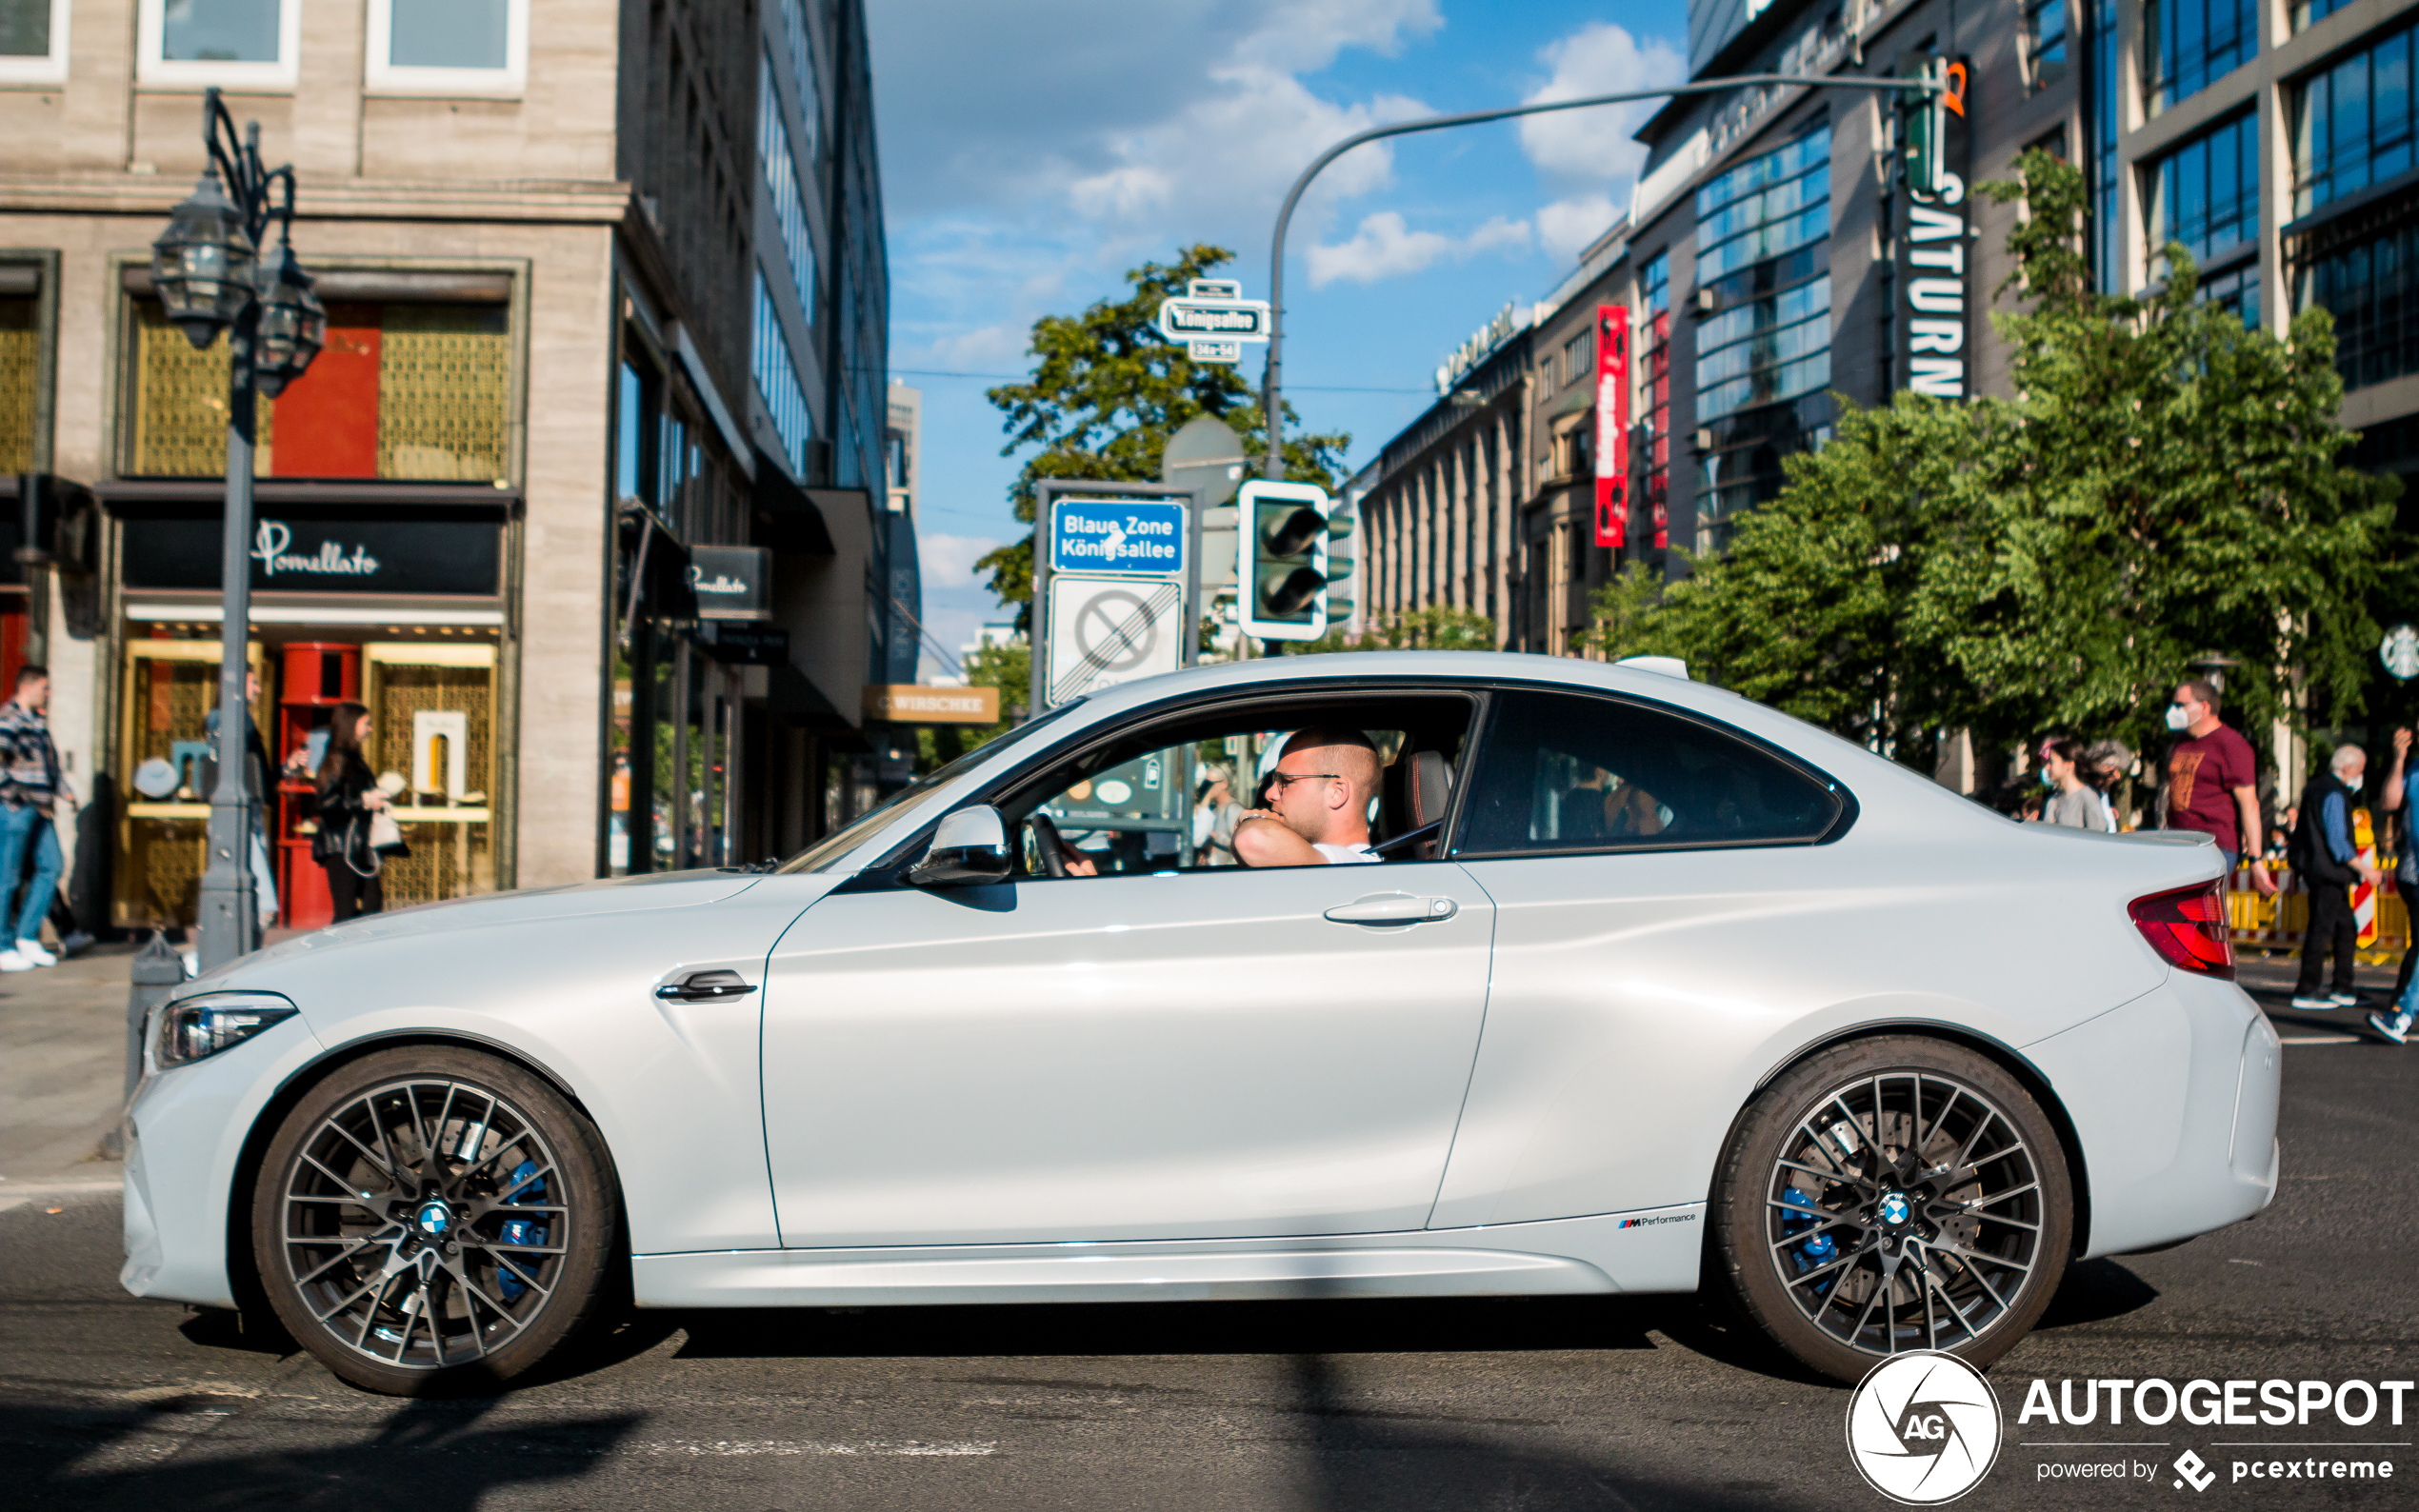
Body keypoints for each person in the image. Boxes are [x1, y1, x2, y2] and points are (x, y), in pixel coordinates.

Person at [2164, 682, 2277, 894]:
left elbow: (2249, 804)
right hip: (2177, 844)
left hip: (2213, 847)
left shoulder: (2231, 745)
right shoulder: (2180, 743)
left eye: (2181, 704)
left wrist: (2256, 859)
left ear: (2204, 707)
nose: (2174, 710)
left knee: (2200, 918)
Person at [2289, 745, 2378, 1011]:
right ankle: (2307, 989)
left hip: (2315, 868)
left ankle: (2343, 987)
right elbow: (2338, 841)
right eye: (2360, 770)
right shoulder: (2334, 794)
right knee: (2322, 929)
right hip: (2328, 871)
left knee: (2345, 928)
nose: (2360, 776)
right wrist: (2366, 869)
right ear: (2348, 768)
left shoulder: (2314, 788)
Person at [1233, 727, 1383, 866]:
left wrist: (1253, 820)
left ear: (1337, 793)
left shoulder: (1350, 863)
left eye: (1286, 782)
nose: (1269, 794)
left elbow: (1250, 839)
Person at [0, 666, 68, 970]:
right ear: (27, 687)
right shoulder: (9, 719)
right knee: (8, 878)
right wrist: (14, 796)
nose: (49, 693)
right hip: (18, 809)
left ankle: (26, 936)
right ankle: (3, 944)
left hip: (41, 809)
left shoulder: (37, 722)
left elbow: (49, 765)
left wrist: (63, 791)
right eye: (45, 687)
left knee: (52, 866)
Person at [313, 702, 390, 921]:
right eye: (366, 723)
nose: (370, 729)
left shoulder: (355, 760)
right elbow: (327, 804)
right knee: (346, 912)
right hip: (341, 846)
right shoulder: (338, 759)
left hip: (360, 845)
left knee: (373, 903)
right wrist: (364, 801)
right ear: (351, 725)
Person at [2370, 729, 2419, 1044]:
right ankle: (2402, 1013)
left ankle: (2402, 1014)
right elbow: (2389, 802)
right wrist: (2399, 759)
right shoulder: (2413, 769)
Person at [2034, 738, 2101, 829]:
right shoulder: (2053, 801)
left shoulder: (2088, 798)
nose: (2047, 767)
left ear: (2069, 764)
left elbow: (2097, 837)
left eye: (2051, 761)